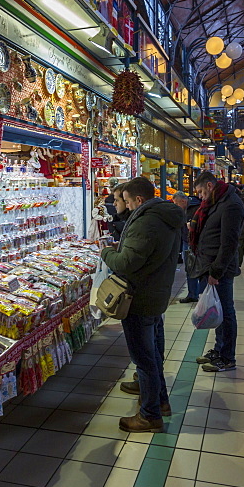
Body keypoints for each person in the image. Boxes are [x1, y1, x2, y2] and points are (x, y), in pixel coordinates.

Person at [100, 177, 183, 433]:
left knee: (144, 358)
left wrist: (106, 252)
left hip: (140, 297)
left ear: (138, 200)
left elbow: (126, 263)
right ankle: (161, 402)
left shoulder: (147, 221)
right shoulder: (165, 216)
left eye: (124, 200)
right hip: (155, 293)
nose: (122, 204)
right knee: (153, 352)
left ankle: (149, 415)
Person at [188, 171, 244, 373]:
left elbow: (229, 244)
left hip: (218, 269)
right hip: (208, 264)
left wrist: (217, 271)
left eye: (202, 191)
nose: (200, 196)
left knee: (226, 313)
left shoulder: (231, 205)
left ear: (210, 186)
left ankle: (228, 358)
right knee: (217, 310)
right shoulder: (216, 202)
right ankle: (219, 349)